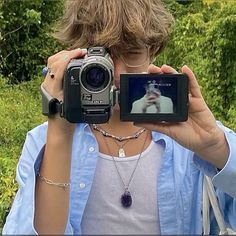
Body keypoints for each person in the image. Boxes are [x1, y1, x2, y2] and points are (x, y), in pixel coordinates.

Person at [3, 0, 236, 235]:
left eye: (132, 53)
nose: (117, 73)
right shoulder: (44, 141)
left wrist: (216, 148)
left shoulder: (190, 141)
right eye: (101, 58)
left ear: (152, 49)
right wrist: (59, 128)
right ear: (74, 54)